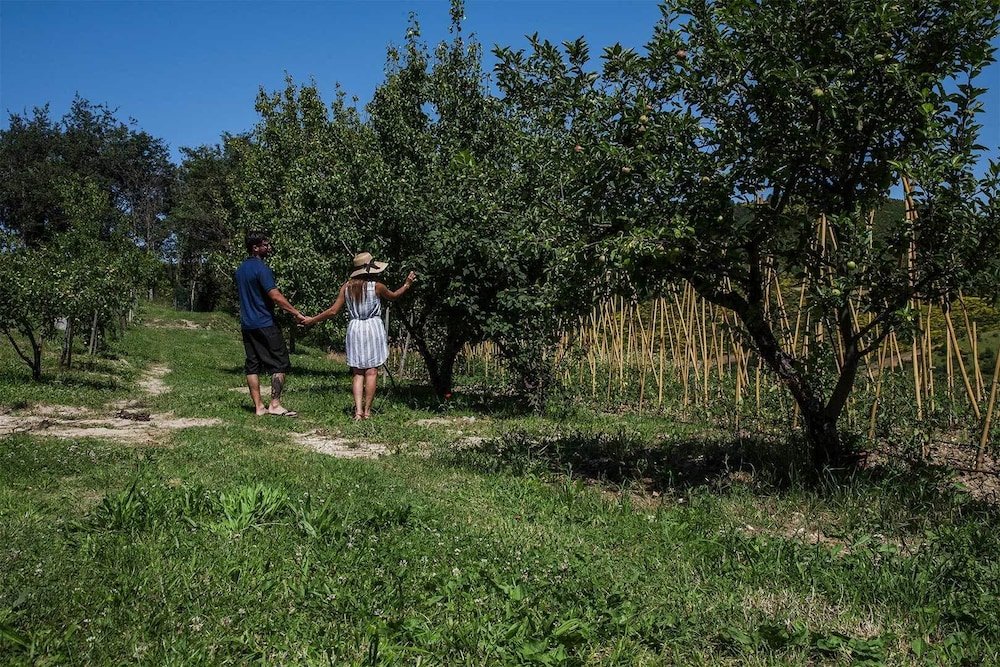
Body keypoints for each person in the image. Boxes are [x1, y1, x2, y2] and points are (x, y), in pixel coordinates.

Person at [302, 252, 416, 420]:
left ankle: (358, 411)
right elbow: (393, 296)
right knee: (371, 372)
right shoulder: (377, 286)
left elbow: (333, 311)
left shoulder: (347, 287)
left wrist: (312, 320)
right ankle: (368, 412)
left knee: (357, 373)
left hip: (355, 328)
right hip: (372, 327)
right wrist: (406, 285)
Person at [235, 231, 306, 417]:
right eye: (265, 245)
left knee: (252, 365)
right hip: (265, 322)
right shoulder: (261, 268)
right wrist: (295, 312)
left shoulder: (240, 269)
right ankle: (274, 404)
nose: (269, 248)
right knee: (280, 362)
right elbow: (274, 295)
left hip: (247, 324)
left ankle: (259, 407)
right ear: (255, 248)